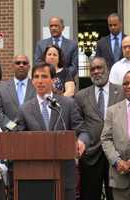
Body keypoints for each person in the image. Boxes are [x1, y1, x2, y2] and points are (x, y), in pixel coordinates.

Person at [16, 62, 90, 200]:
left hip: (64, 172)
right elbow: (17, 137)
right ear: (32, 81)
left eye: (44, 76)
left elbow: (82, 131)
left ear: (53, 80)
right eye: (36, 77)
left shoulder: (67, 104)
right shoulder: (25, 109)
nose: (39, 80)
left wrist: (81, 141)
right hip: (35, 174)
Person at [75, 57, 124, 200]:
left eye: (99, 68)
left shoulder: (121, 91)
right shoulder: (81, 96)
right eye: (92, 69)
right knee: (89, 195)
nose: (96, 72)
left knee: (116, 196)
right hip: (90, 155)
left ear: (107, 69)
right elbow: (79, 124)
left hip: (116, 154)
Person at [101, 71, 130, 200]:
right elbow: (106, 139)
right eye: (125, 83)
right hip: (120, 175)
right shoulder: (112, 111)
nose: (128, 86)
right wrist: (117, 161)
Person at [0, 54, 36, 130]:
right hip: (9, 134)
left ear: (29, 67)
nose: (21, 65)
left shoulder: (37, 87)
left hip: (33, 133)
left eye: (24, 63)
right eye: (18, 63)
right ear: (12, 66)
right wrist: (12, 127)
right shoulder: (0, 88)